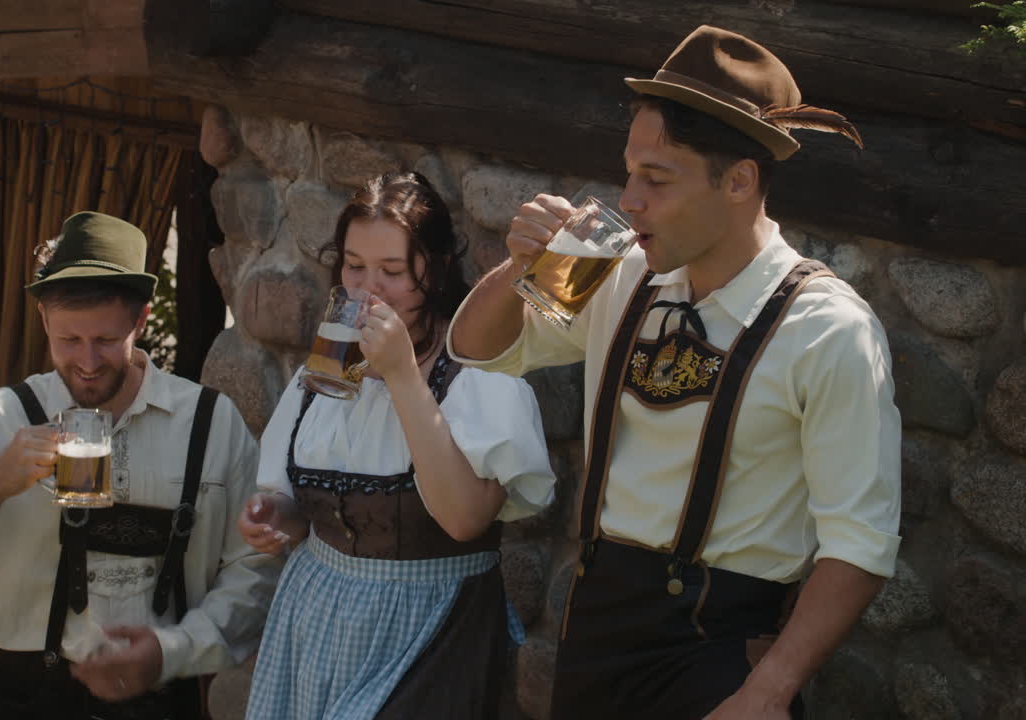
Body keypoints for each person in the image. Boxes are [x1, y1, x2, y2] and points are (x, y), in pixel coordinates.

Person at [448, 26, 902, 720]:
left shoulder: (830, 330)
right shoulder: (624, 274)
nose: (629, 199)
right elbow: (482, 350)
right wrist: (519, 267)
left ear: (741, 181)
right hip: (595, 631)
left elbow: (860, 546)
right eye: (629, 171)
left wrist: (767, 693)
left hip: (721, 657)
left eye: (656, 179)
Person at [0, 211, 280, 720]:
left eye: (106, 340)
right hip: (17, 700)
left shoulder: (210, 423)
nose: (87, 361)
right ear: (44, 320)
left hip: (158, 700)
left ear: (140, 319)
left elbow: (258, 571)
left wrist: (174, 650)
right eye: (69, 341)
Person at [239, 172, 557, 719]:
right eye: (354, 266)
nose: (366, 290)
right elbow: (298, 511)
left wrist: (404, 378)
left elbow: (465, 521)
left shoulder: (478, 372)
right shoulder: (326, 366)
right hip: (316, 618)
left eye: (391, 272)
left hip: (431, 628)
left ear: (431, 270)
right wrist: (275, 517)